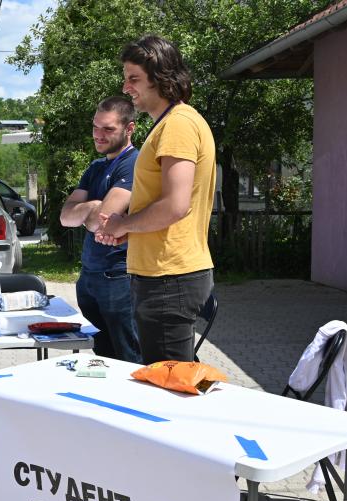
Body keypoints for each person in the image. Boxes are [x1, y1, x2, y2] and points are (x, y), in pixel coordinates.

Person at [97, 35, 216, 365]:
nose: (126, 87)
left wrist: (123, 222)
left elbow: (175, 205)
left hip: (169, 277)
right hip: (165, 275)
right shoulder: (171, 124)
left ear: (161, 77)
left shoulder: (178, 125)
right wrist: (127, 230)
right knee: (169, 384)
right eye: (125, 78)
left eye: (134, 78)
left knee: (170, 391)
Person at [59, 96, 141, 363]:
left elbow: (100, 222)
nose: (99, 135)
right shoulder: (96, 167)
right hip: (89, 276)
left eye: (108, 129)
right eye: (95, 127)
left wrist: (87, 212)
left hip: (118, 277)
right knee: (104, 358)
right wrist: (94, 206)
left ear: (129, 129)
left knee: (130, 359)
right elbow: (65, 217)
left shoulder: (133, 163)